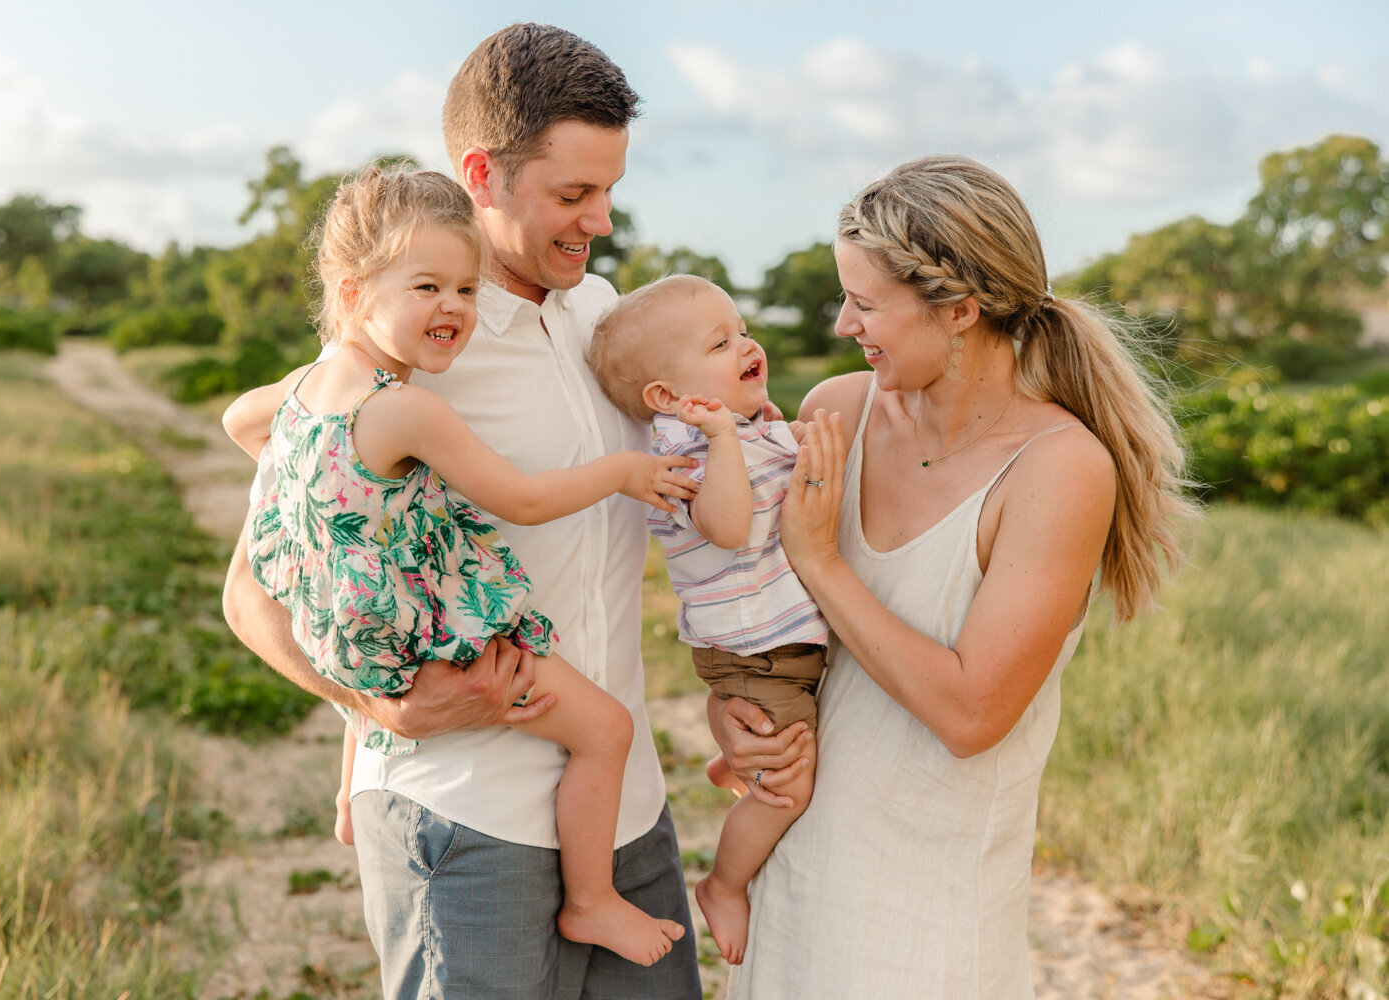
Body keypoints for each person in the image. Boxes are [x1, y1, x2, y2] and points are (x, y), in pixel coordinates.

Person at [221, 24, 705, 1000]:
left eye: (609, 189)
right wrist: (366, 704)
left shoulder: (607, 315)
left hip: (623, 817)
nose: (600, 220)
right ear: (482, 170)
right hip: (461, 823)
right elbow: (250, 586)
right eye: (573, 194)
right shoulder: (407, 352)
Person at [711, 155, 1197, 998]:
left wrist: (821, 560)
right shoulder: (838, 412)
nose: (841, 327)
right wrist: (736, 704)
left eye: (864, 304)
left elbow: (973, 713)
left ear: (962, 310)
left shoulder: (1059, 471)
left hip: (930, 911)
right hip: (791, 873)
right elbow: (764, 607)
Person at [585, 274, 827, 965]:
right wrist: (723, 436)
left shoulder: (742, 429)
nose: (746, 344)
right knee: (787, 786)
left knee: (782, 752)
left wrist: (764, 430)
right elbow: (726, 525)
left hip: (775, 645)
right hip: (755, 652)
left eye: (741, 330)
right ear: (667, 399)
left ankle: (730, 758)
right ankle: (724, 885)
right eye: (720, 344)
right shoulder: (685, 457)